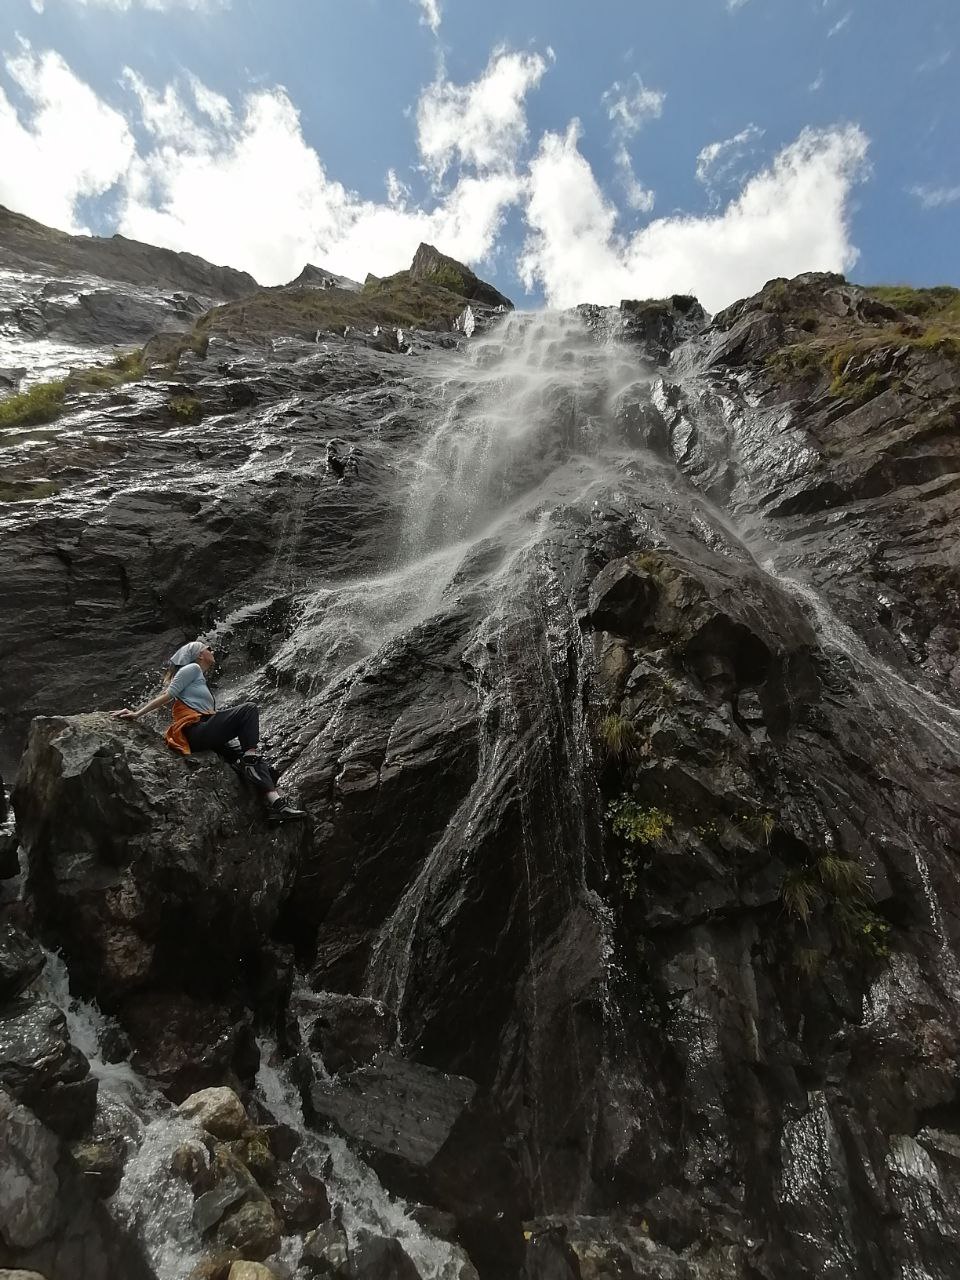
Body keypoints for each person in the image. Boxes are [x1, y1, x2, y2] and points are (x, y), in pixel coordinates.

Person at [111, 640, 305, 824]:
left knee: (267, 768)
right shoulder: (192, 668)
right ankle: (250, 759)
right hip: (196, 730)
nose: (212, 651)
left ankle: (277, 807)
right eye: (208, 648)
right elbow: (168, 695)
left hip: (206, 731)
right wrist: (137, 714)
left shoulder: (199, 678)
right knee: (248, 709)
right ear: (199, 655)